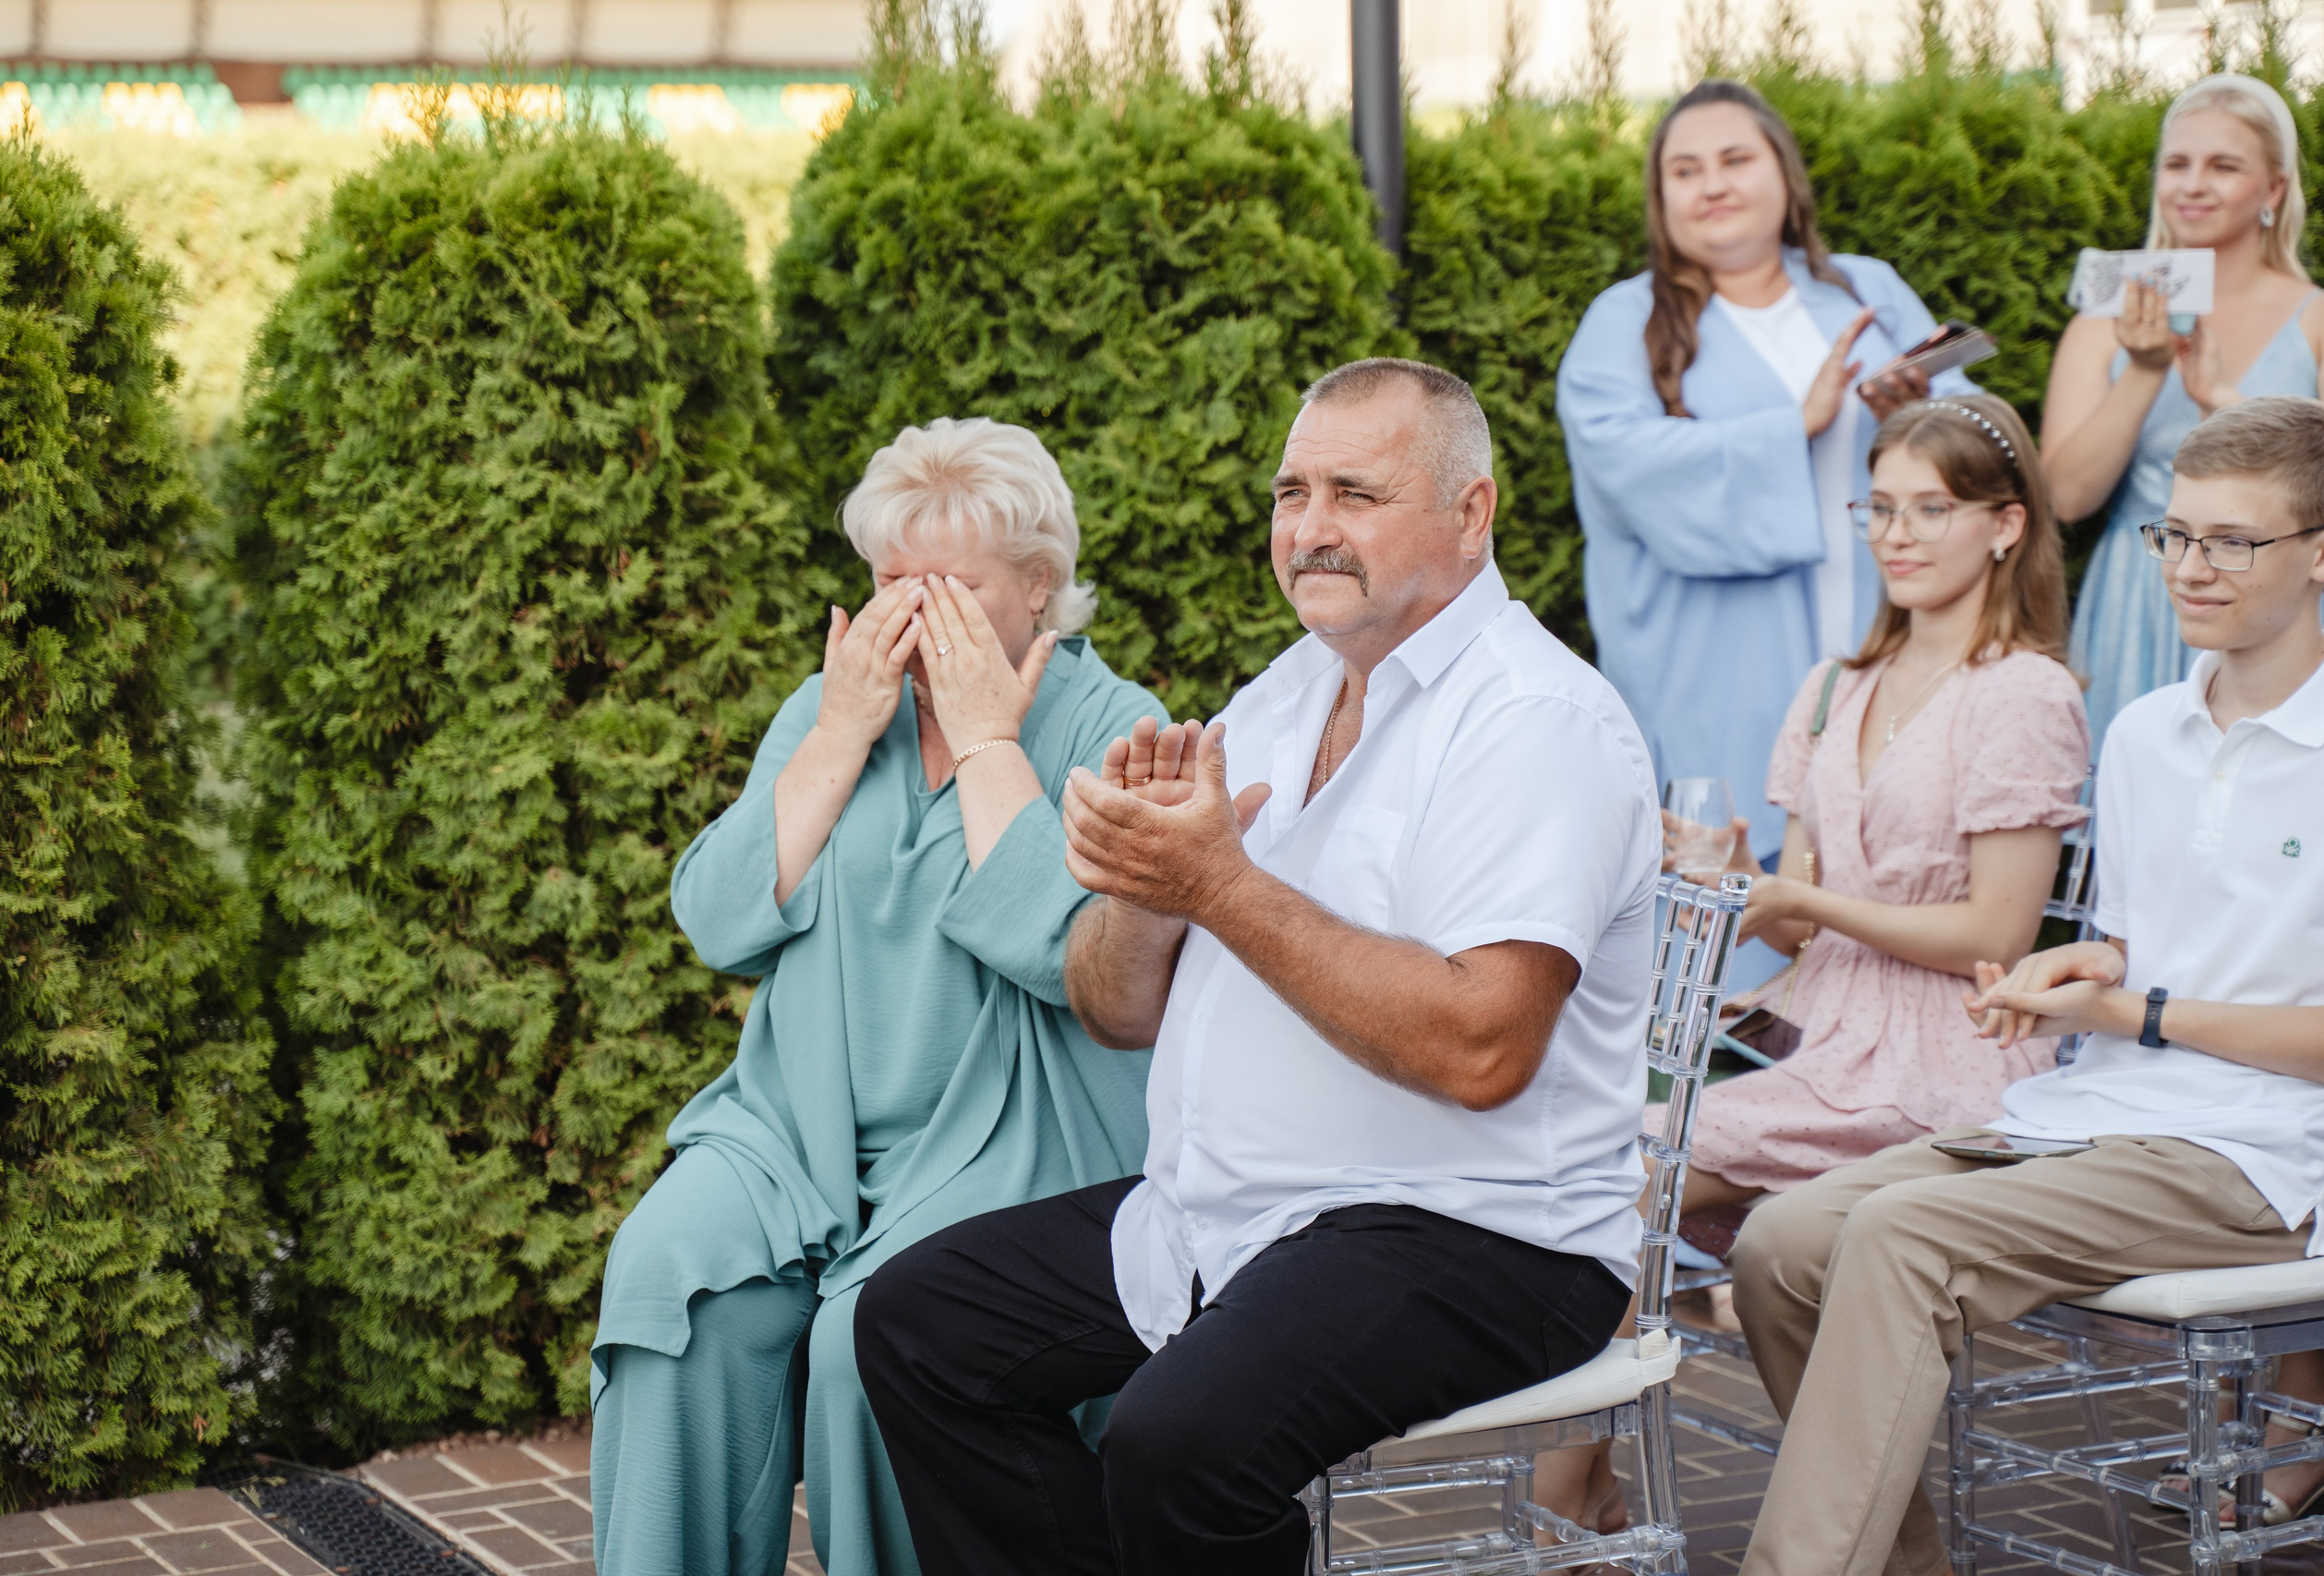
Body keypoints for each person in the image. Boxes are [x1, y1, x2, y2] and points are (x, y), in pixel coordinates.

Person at [849, 358, 1661, 1575]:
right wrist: (1141, 883)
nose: (1311, 527)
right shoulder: (1285, 693)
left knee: (1180, 1442)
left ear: (1471, 511)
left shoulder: (1536, 721)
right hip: (1237, 1211)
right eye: (1292, 492)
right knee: (922, 1324)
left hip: (1476, 1227)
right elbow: (1117, 1008)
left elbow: (1483, 1047)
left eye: (1355, 492)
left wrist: (1219, 881)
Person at [1726, 395, 2324, 1576]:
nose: (2191, 567)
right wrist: (2083, 965)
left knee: (1900, 1236)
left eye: (2234, 541)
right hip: (2095, 1118)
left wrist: (2137, 1012)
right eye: (2173, 535)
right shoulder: (2146, 733)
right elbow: (2138, 942)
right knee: (1782, 1240)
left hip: (2258, 1156)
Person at [587, 418, 1164, 1576]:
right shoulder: (833, 705)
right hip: (794, 1129)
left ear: (1040, 586)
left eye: (951, 583)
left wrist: (992, 736)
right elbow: (717, 918)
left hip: (1011, 1134)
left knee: (873, 1339)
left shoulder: (1114, 724)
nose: (913, 611)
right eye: (894, 580)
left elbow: (1069, 953)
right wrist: (841, 732)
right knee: (666, 1276)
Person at [1558, 78, 1977, 940]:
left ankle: (1888, 1004)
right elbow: (1623, 462)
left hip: (1879, 617)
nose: (1711, 183)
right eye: (1685, 169)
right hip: (1717, 647)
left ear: (1785, 178)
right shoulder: (1625, 320)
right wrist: (1798, 426)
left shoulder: (1868, 292)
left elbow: (1974, 438)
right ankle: (1732, 1023)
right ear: (1661, 198)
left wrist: (1916, 417)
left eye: (1735, 159)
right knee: (1734, 850)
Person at [1677, 395, 2089, 1228]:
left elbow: (1995, 939)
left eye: (1932, 509)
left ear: (2006, 525)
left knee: (1617, 1174)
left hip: (1938, 1058)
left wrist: (1799, 898)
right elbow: (1801, 931)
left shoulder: (2023, 694)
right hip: (1807, 1036)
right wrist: (1738, 880)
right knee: (1585, 1151)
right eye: (1881, 508)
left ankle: (1621, 1362)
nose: (1896, 535)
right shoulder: (1835, 686)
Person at [2044, 72, 2324, 749]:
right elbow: (2067, 496)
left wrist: (2223, 401)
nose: (2193, 184)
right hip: (2142, 597)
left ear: (2274, 189)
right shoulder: (2103, 325)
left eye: (2224, 166)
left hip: (2284, 600)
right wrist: (2147, 369)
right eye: (2177, 164)